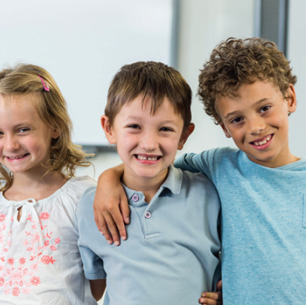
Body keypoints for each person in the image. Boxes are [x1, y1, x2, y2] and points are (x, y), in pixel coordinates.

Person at [93, 38, 306, 304]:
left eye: (264, 108)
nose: (255, 127)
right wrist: (108, 178)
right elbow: (151, 164)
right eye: (237, 119)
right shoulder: (218, 165)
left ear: (290, 98)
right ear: (224, 127)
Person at [78, 61, 222, 305]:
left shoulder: (209, 193)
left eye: (165, 129)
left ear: (184, 136)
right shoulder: (91, 205)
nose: (148, 143)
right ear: (109, 128)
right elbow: (93, 290)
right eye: (134, 127)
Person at [0, 64, 105, 305]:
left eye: (22, 130)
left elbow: (98, 286)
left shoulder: (82, 197)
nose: (10, 145)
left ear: (54, 126)